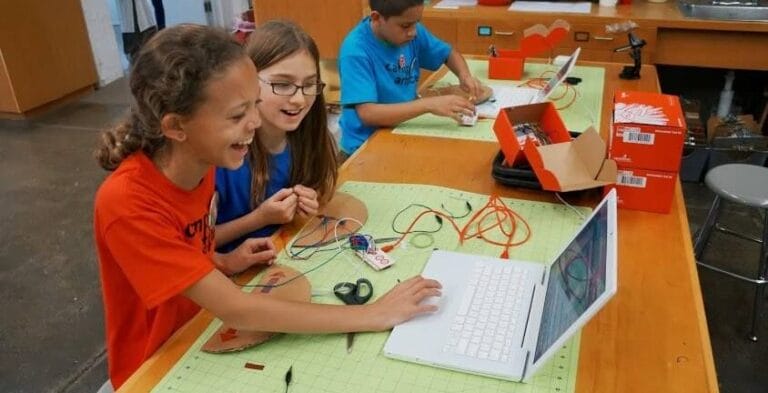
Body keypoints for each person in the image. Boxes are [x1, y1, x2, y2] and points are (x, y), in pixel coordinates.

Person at [93, 24, 441, 389]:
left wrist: (222, 261)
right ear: (177, 127)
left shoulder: (203, 160)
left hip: (201, 327)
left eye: (253, 106)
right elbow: (238, 310)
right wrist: (372, 314)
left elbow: (182, 245)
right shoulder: (128, 202)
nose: (255, 123)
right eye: (237, 115)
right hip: (156, 366)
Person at [214, 21, 338, 253]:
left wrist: (310, 199)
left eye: (309, 84)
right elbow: (189, 245)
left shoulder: (308, 138)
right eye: (282, 84)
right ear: (248, 81)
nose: (299, 100)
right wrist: (259, 219)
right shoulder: (220, 156)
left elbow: (322, 188)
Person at [337, 0, 483, 158]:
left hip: (401, 129)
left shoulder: (411, 30)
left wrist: (464, 75)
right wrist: (428, 104)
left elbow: (448, 54)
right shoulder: (356, 51)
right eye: (406, 26)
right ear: (377, 18)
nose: (413, 32)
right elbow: (368, 114)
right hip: (364, 146)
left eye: (416, 23)